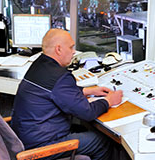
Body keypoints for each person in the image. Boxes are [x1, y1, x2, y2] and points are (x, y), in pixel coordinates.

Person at [11, 28, 128, 160]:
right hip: (41, 145)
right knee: (102, 141)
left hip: (25, 136)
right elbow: (87, 113)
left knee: (84, 129)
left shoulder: (39, 65)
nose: (74, 52)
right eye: (71, 47)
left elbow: (56, 92)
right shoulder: (61, 76)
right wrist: (109, 101)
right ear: (59, 49)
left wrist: (87, 91)